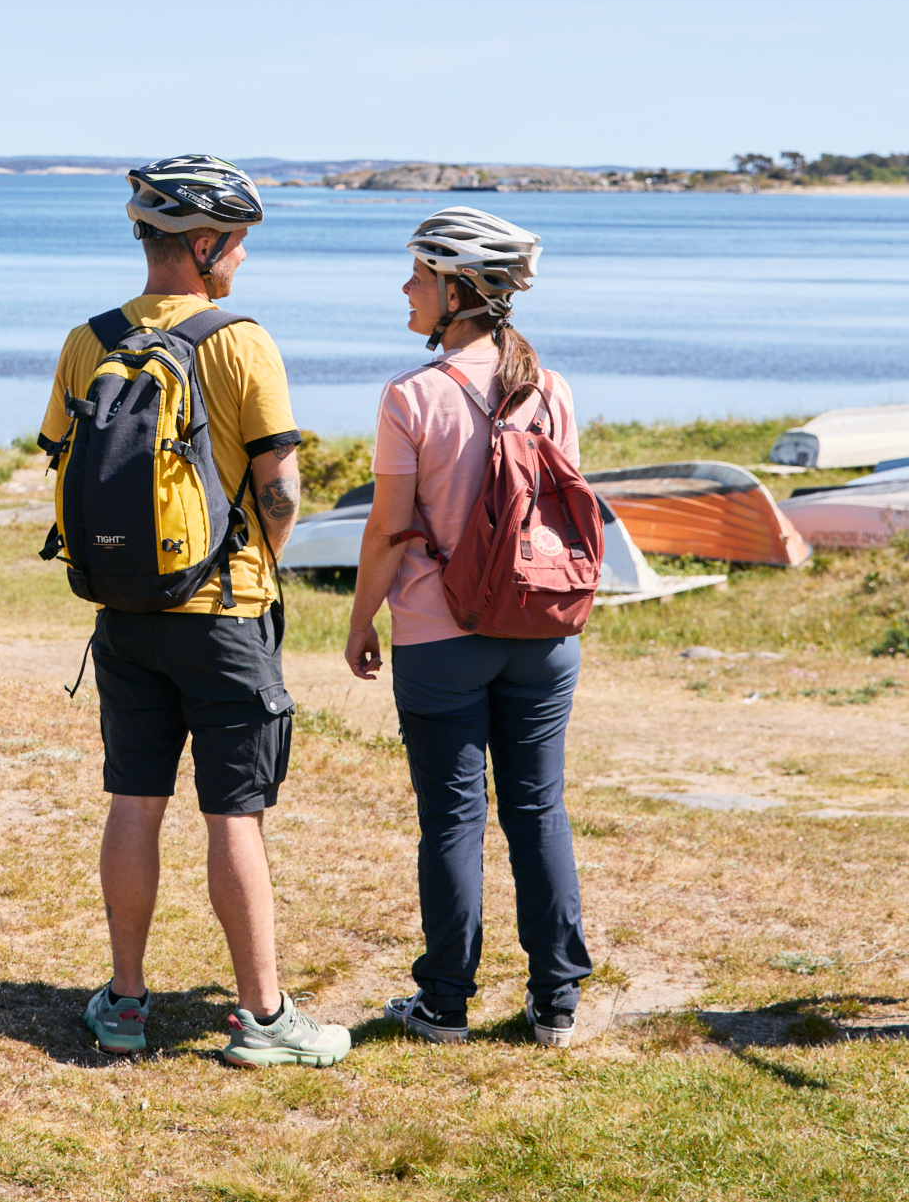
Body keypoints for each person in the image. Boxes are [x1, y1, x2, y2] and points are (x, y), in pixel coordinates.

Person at [40, 155, 350, 1068]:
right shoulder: (240, 339)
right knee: (234, 815)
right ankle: (265, 1018)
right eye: (241, 243)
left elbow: (59, 462)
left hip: (124, 611)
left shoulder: (88, 338)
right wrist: (257, 563)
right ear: (206, 244)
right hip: (222, 613)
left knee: (133, 802)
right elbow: (281, 487)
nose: (245, 259)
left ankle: (125, 1003)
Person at [343, 208, 594, 1048]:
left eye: (418, 275)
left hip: (439, 633)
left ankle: (445, 1003)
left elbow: (385, 530)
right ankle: (555, 1002)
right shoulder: (551, 389)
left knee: (452, 818)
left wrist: (360, 619)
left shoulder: (412, 396)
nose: (405, 288)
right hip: (543, 629)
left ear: (458, 292)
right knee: (538, 807)